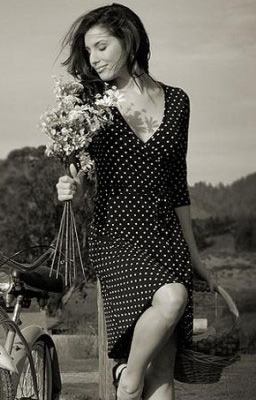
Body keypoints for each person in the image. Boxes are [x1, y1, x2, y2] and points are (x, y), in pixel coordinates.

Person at [55, 4, 215, 400]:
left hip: (167, 238)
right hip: (117, 237)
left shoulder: (178, 101)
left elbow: (177, 185)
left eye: (102, 47)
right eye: (88, 50)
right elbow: (78, 171)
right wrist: (70, 186)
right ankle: (126, 377)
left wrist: (194, 255)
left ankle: (131, 375)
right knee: (172, 297)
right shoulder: (88, 103)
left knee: (162, 374)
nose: (94, 58)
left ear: (128, 41)